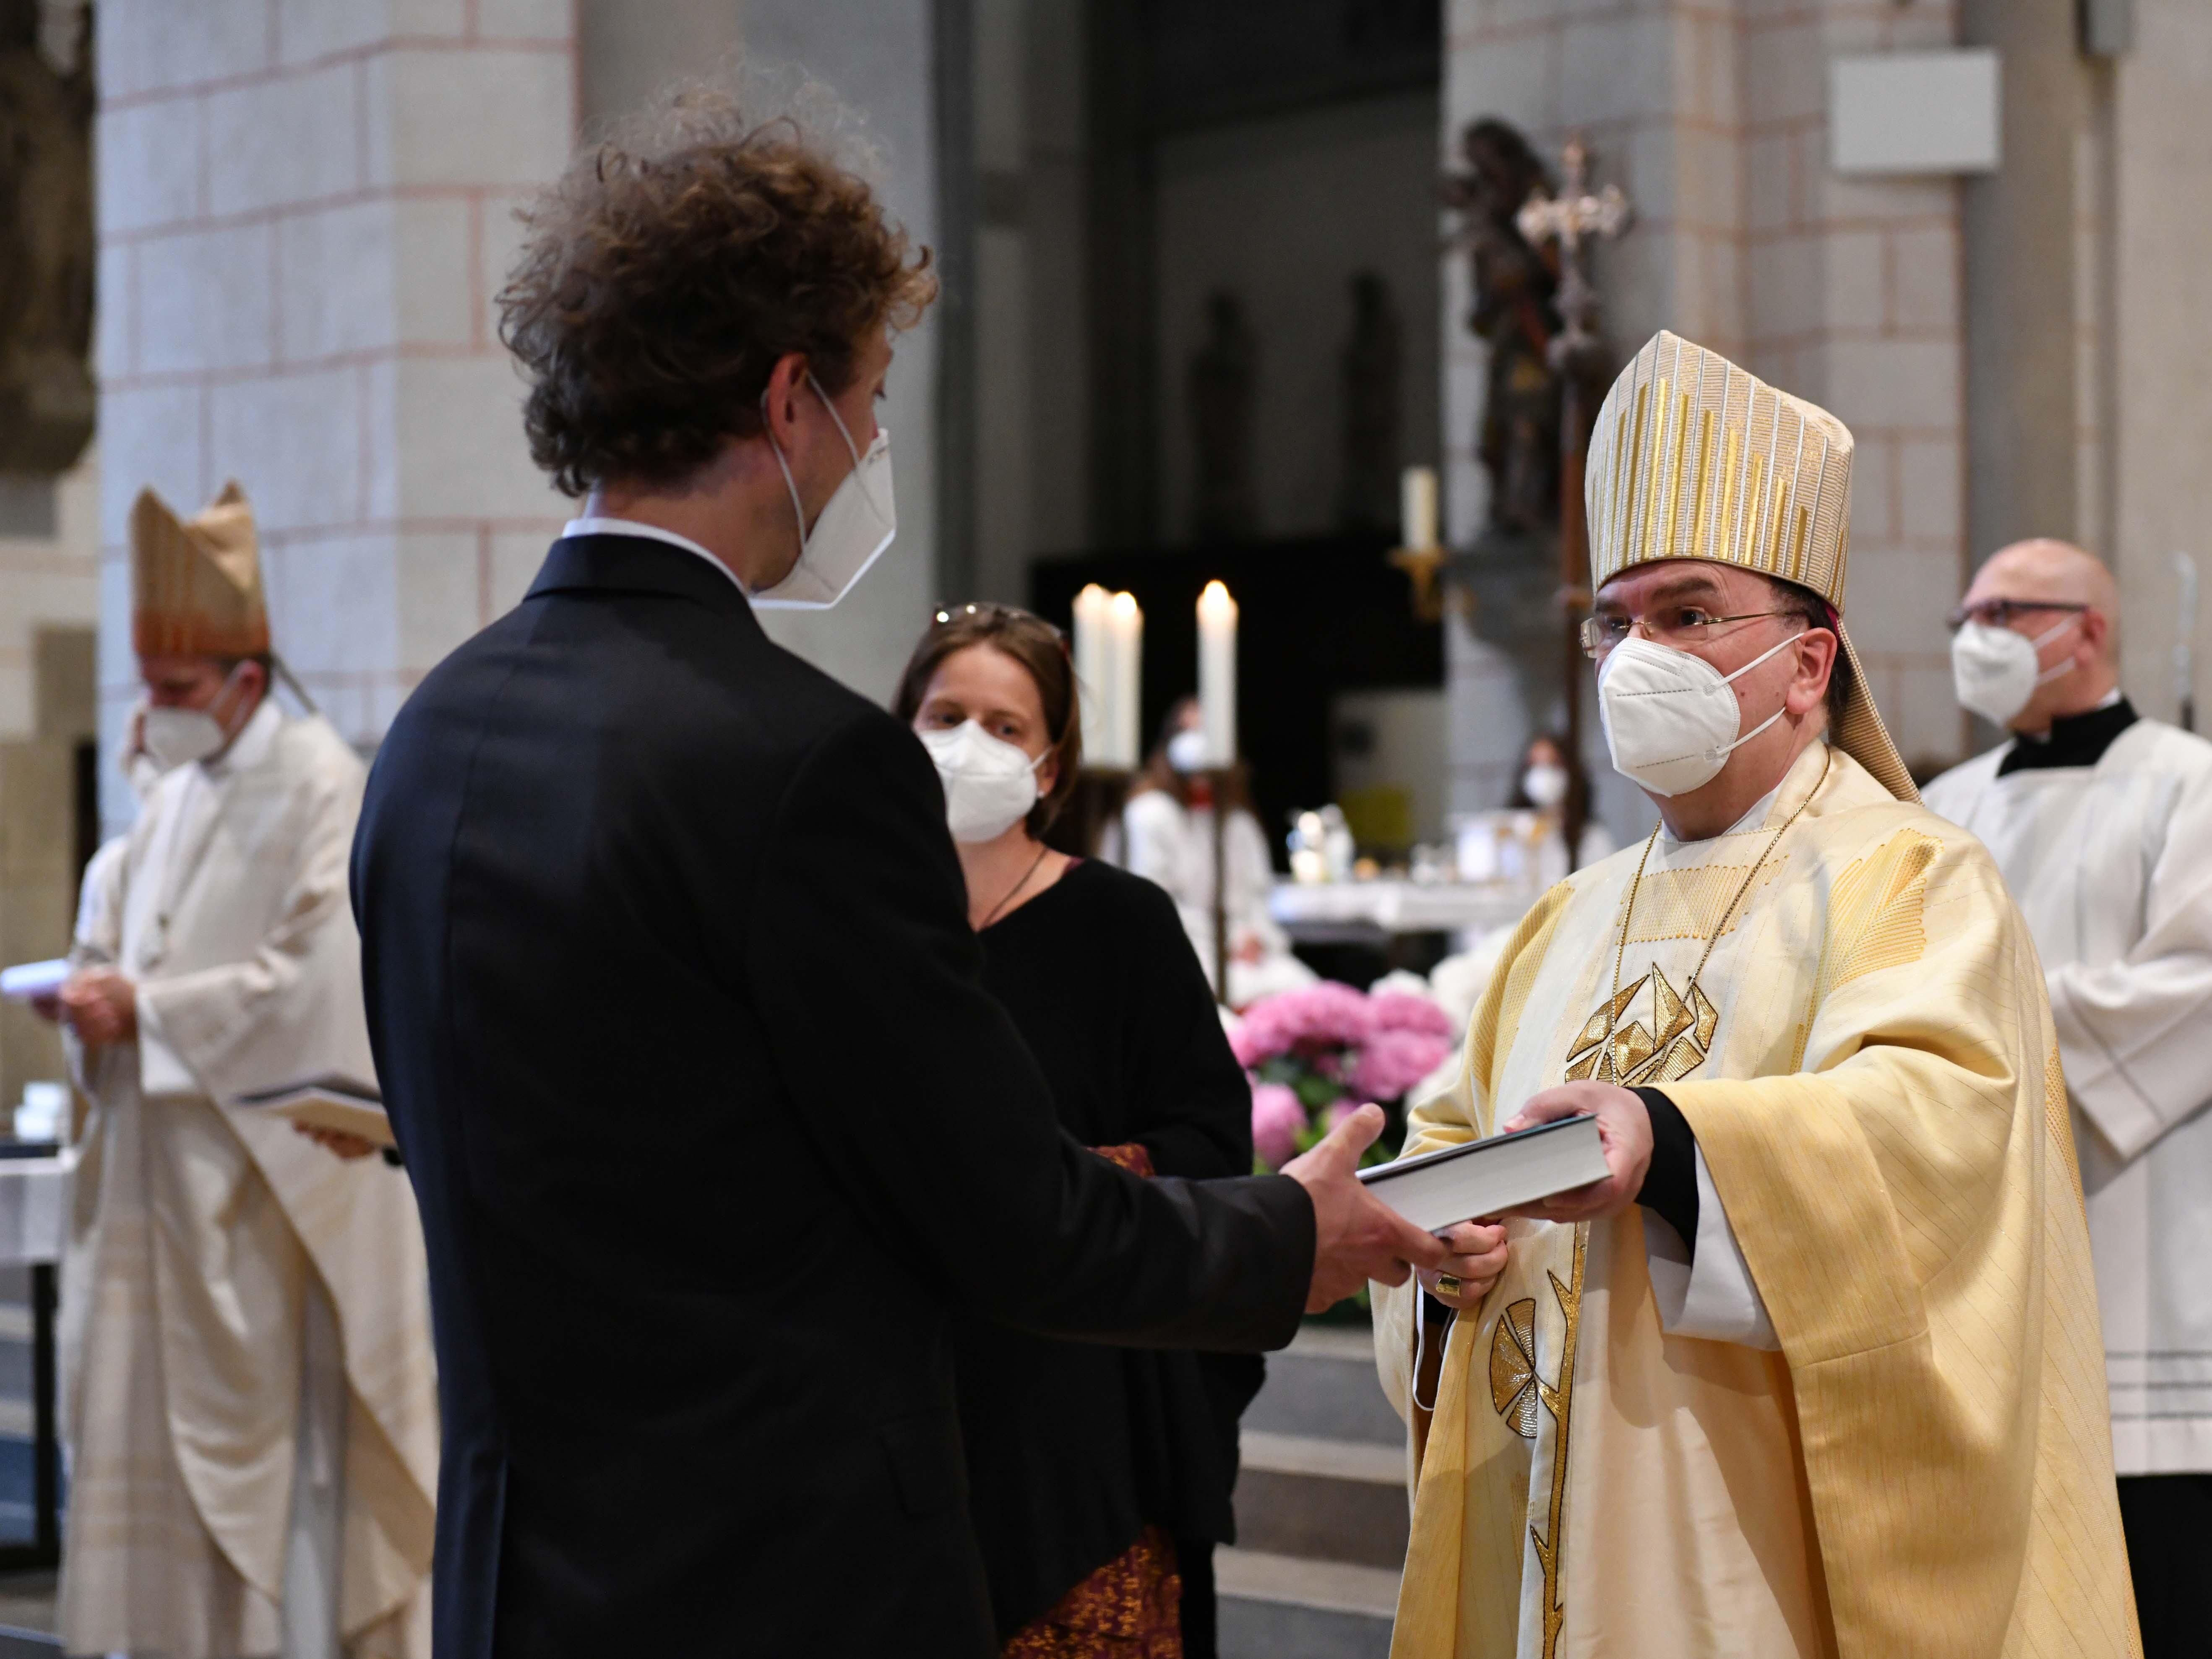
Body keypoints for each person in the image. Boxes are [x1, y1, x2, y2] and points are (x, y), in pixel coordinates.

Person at [347, 89, 1451, 1659]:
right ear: (786, 397)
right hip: (775, 1583)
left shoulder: (431, 734)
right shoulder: (801, 761)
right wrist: (1285, 1235)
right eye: (867, 398)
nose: (872, 445)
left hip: (519, 1581)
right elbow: (1005, 1209)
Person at [1373, 331, 2139, 1657]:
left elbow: (1933, 1145)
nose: (1636, 653)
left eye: (1687, 613)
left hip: (1747, 1536)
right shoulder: (1567, 915)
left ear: (1808, 661)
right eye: (1614, 619)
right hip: (1545, 1495)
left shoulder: (1908, 875)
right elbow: (1447, 1133)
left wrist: (1672, 1144)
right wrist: (1436, 1251)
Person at [37, 483, 438, 1659]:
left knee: (285, 1490)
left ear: (246, 678)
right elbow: (131, 943)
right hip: (158, 1188)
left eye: (176, 691)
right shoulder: (172, 795)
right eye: (149, 690)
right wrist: (94, 999)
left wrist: (146, 1011)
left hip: (268, 1204)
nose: (153, 715)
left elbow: (314, 981)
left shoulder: (320, 780)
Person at [1921, 538, 2212, 1656]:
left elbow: (2196, 984)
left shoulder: (2190, 785)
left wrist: (1987, 1031)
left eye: (2002, 613)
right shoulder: (1939, 808)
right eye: (1964, 617)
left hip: (2144, 1233)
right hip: (1979, 1226)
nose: (1974, 638)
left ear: (2086, 630)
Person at [1120, 696, 1316, 1008]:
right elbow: (1155, 903)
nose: (1197, 744)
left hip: (1252, 954)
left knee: (1309, 997)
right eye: (1188, 732)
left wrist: (1256, 936)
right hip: (1188, 947)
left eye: (1207, 733)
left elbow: (1259, 895)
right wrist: (1227, 941)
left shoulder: (1238, 822)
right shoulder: (1150, 814)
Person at [1501, 732, 1615, 883]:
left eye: (1553, 764)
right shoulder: (1512, 834)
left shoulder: (1593, 838)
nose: (1543, 774)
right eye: (1534, 765)